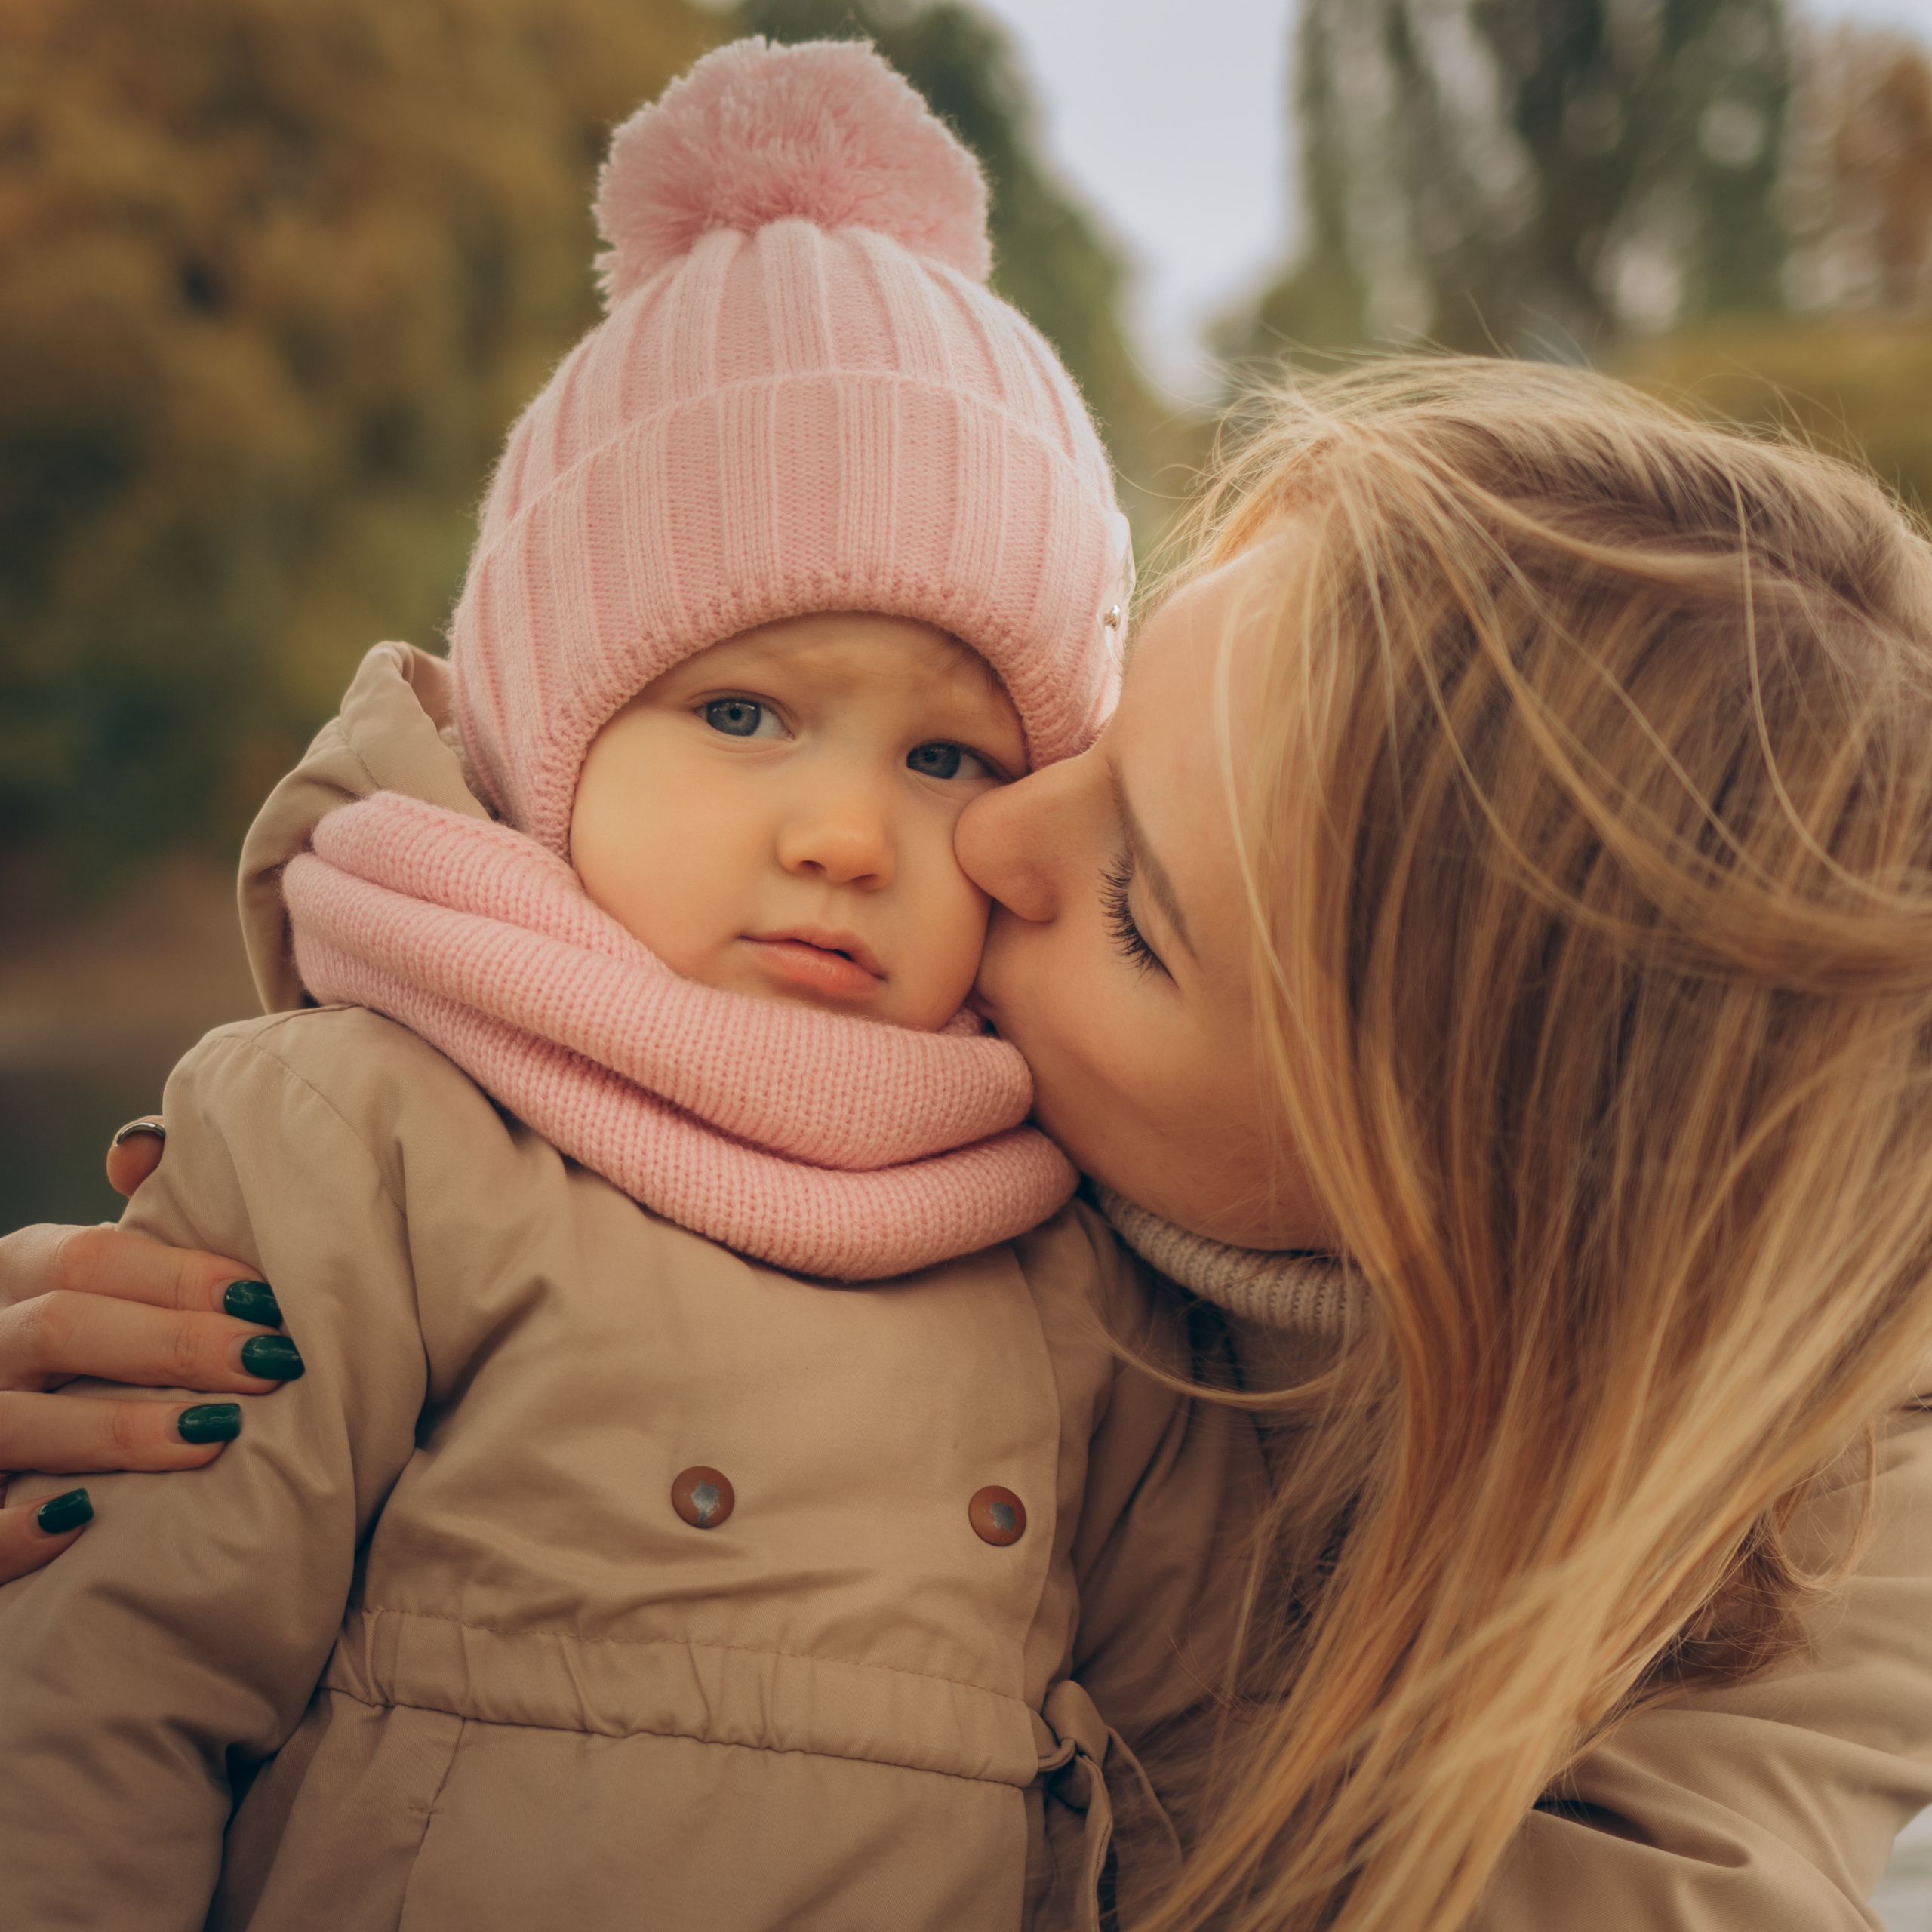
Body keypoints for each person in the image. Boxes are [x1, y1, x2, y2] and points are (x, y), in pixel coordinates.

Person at [3, 197, 1930, 1932]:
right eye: (1088, 738)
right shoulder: (382, 1138)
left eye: (1128, 905)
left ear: (1412, 1183)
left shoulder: (1780, 1548)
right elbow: (101, 1705)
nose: (972, 847)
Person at [0, 37, 1255, 1932]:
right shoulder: (364, 1135)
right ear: (550, 736)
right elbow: (103, 1705)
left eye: (949, 759)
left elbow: (1197, 1787)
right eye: (739, 711)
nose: (847, 832)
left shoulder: (1072, 1258)